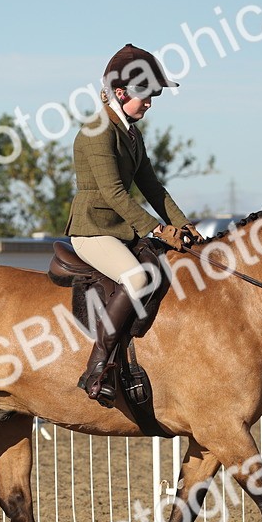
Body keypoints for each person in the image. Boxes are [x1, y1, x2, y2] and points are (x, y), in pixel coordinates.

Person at [64, 43, 198, 404]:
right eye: (146, 95)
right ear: (121, 93)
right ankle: (97, 367)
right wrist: (157, 229)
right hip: (93, 228)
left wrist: (185, 227)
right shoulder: (97, 131)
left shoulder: (131, 133)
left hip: (119, 229)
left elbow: (153, 186)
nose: (151, 102)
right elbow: (113, 192)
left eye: (155, 95)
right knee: (137, 277)